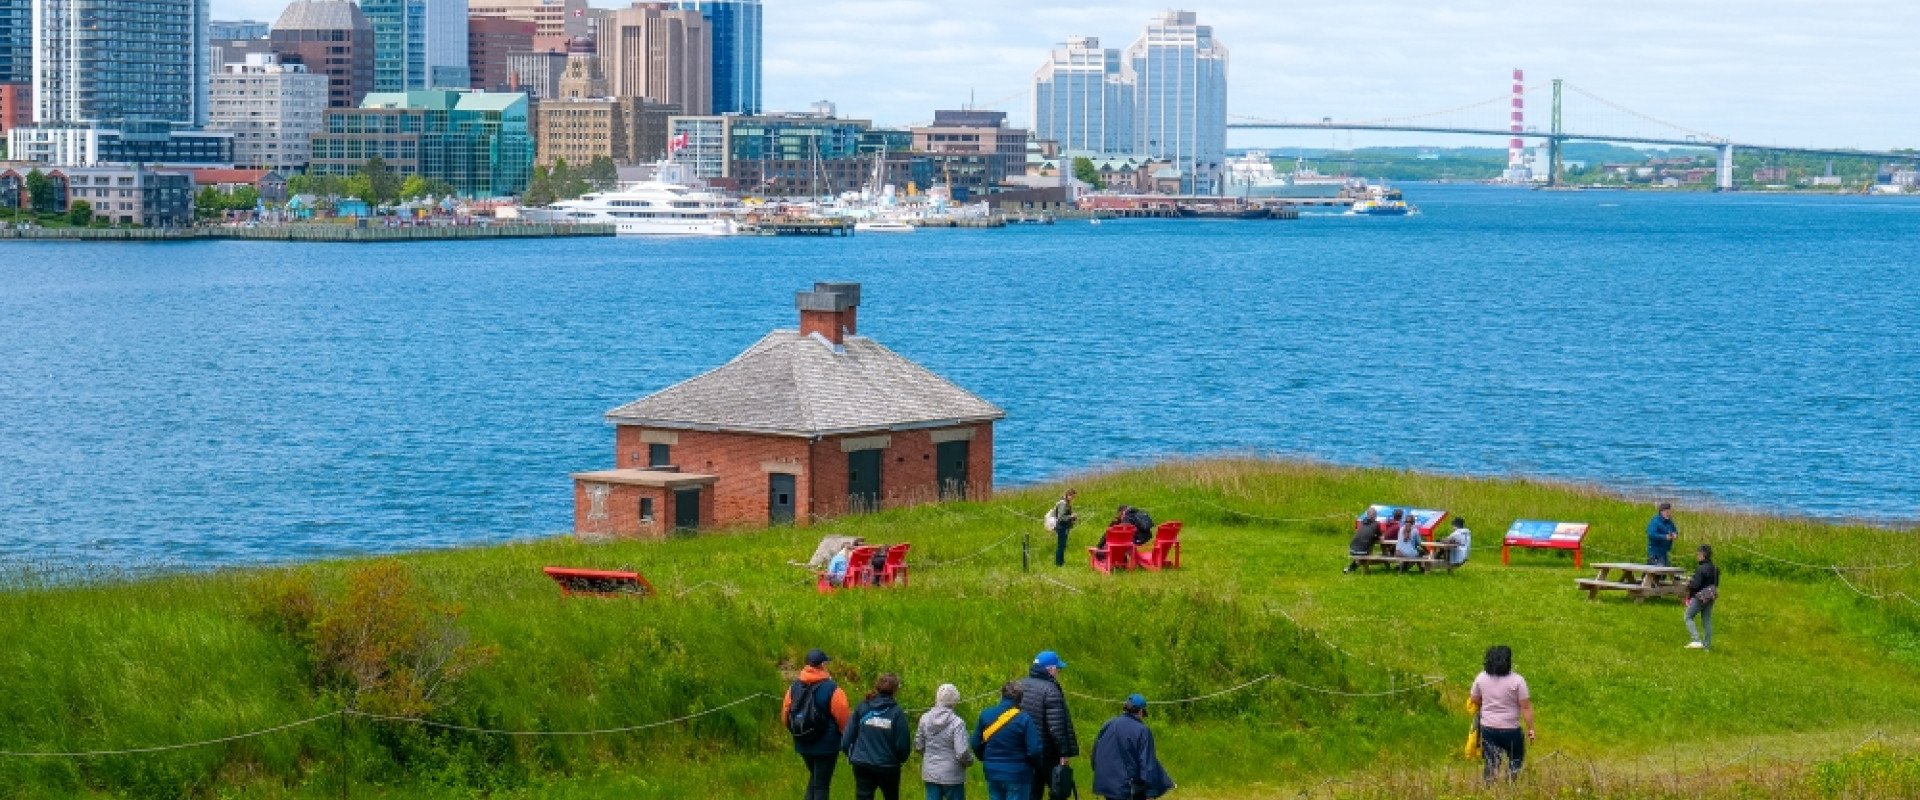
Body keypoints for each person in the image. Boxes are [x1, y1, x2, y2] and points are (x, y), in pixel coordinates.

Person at [784, 649, 854, 800]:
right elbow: (843, 716)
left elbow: (785, 715)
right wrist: (845, 735)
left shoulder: (794, 687)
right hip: (827, 745)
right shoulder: (832, 688)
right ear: (822, 665)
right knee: (821, 784)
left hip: (802, 741)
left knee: (815, 777)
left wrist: (799, 732)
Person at [1019, 651, 1079, 800]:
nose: (1058, 672)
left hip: (1026, 750)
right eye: (1057, 669)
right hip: (1047, 752)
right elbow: (1056, 727)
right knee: (1058, 791)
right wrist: (1063, 753)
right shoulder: (1051, 690)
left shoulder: (1020, 685)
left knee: (1032, 792)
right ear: (1049, 669)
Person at [1470, 645, 1535, 782]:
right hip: (1511, 728)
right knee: (1516, 758)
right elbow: (1525, 707)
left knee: (1491, 761)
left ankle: (1489, 787)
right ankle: (1510, 785)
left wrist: (1487, 702)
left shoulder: (1481, 678)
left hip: (1488, 727)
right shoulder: (1518, 681)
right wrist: (1531, 729)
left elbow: (1474, 699)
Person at [1090, 694, 1174, 800]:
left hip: (1107, 786)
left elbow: (1095, 755)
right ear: (1141, 711)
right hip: (1127, 789)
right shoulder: (1143, 730)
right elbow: (1147, 764)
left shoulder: (1108, 724)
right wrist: (1150, 793)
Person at [843, 673, 912, 800]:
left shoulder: (863, 707)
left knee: (863, 796)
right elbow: (903, 745)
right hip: (887, 765)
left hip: (861, 762)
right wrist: (899, 760)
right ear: (895, 690)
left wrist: (850, 753)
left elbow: (847, 738)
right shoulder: (897, 713)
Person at [972, 681, 1043, 800]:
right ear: (1020, 698)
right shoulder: (1024, 719)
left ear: (1002, 695)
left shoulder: (986, 715)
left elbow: (975, 743)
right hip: (1018, 773)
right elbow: (1034, 750)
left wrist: (985, 758)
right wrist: (1034, 766)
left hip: (993, 772)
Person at [916, 684, 974, 800]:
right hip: (952, 774)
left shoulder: (924, 719)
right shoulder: (957, 722)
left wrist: (930, 757)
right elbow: (961, 752)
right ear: (955, 701)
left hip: (930, 773)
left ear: (937, 698)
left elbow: (918, 745)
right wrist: (970, 760)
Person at [1685, 544, 1720, 651]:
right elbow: (1716, 584)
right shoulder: (1715, 568)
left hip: (1699, 597)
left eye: (1698, 554)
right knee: (1706, 620)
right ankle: (1707, 647)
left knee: (1688, 617)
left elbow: (1696, 586)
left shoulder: (1701, 569)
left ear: (1703, 555)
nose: (1697, 556)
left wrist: (1689, 582)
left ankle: (1696, 640)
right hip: (1711, 596)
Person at [1344, 509, 1382, 574]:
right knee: (1364, 557)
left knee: (1360, 556)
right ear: (1375, 516)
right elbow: (1381, 538)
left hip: (1352, 550)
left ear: (1367, 515)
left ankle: (1348, 569)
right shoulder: (1376, 524)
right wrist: (1375, 538)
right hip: (1363, 551)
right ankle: (1364, 571)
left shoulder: (1361, 523)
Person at [1051, 489, 1080, 568]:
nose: (1073, 498)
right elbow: (1061, 517)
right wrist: (1071, 516)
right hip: (1061, 527)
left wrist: (1072, 518)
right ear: (1068, 495)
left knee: (1063, 545)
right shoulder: (1063, 503)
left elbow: (1066, 515)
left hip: (1065, 527)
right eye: (1072, 497)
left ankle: (1061, 562)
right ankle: (1058, 563)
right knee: (1061, 545)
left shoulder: (1066, 502)